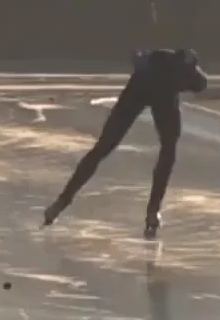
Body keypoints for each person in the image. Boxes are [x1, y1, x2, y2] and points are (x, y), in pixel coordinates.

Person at [42, 48, 209, 238]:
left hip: (164, 96)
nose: (183, 82)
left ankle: (153, 210)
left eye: (184, 79)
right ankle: (61, 203)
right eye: (180, 79)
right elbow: (138, 58)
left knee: (169, 148)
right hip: (139, 89)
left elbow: (201, 83)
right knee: (104, 147)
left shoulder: (192, 76)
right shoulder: (149, 70)